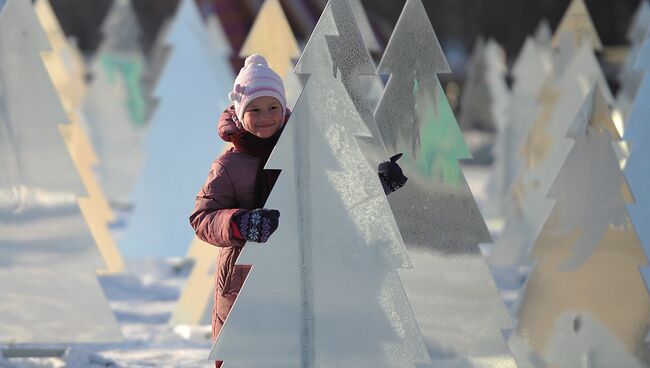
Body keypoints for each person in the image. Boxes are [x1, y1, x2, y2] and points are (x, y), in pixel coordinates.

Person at [189, 54, 407, 368]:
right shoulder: (228, 165)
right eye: (254, 109)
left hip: (302, 276)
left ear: (284, 108)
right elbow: (202, 217)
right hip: (245, 281)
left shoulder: (305, 151)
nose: (265, 117)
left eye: (272, 108)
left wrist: (378, 184)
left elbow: (334, 195)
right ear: (239, 112)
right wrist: (240, 223)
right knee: (251, 356)